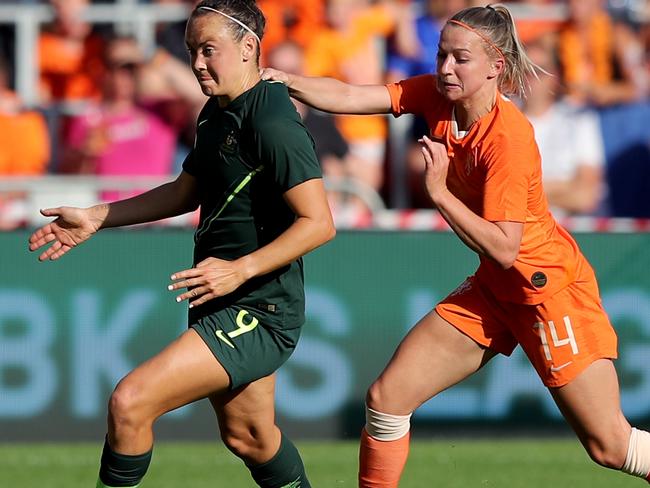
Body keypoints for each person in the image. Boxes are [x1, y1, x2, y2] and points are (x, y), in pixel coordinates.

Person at [261, 4, 650, 486]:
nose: (445, 67)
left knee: (610, 446)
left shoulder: (508, 139)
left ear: (496, 66)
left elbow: (507, 248)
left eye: (460, 58)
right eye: (442, 54)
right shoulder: (439, 95)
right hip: (496, 289)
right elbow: (350, 94)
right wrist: (283, 80)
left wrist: (440, 193)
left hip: (548, 294)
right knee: (386, 398)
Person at [29, 2, 335, 488]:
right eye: (192, 50)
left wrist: (240, 270)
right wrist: (95, 217)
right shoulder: (216, 113)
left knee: (130, 402)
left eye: (209, 49)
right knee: (250, 436)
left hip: (259, 308)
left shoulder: (272, 118)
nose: (197, 63)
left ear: (248, 47)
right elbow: (183, 191)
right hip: (223, 296)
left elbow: (319, 223)